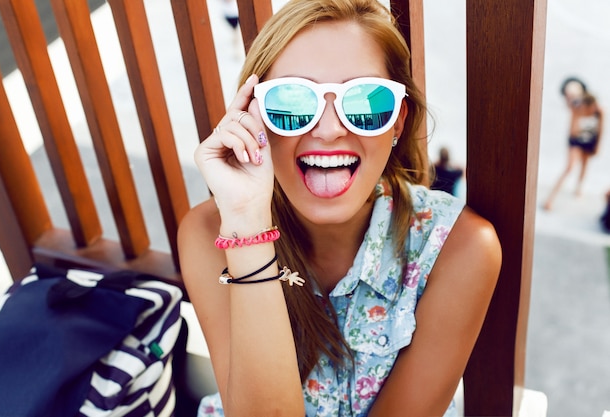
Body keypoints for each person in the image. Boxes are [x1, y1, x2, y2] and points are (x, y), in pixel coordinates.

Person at [177, 0, 502, 416]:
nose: (329, 130)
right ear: (252, 116)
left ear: (398, 122)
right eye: (291, 102)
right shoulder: (213, 232)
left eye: (365, 101)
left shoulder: (460, 248)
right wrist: (246, 223)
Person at [542, 77, 605, 210]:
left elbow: (601, 127)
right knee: (569, 167)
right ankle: (551, 198)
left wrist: (598, 145)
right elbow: (569, 99)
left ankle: (578, 189)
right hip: (576, 140)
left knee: (584, 165)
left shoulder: (597, 108)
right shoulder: (575, 105)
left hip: (589, 140)